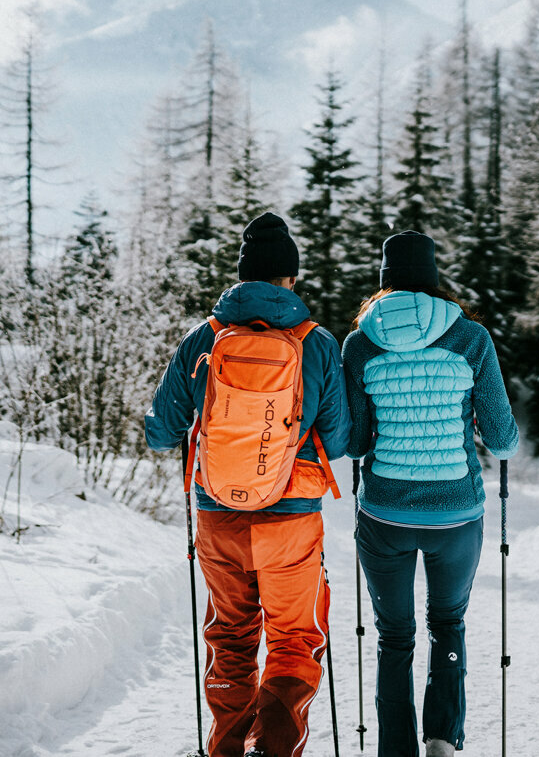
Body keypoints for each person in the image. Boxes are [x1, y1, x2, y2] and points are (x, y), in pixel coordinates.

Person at [145, 212, 351, 757]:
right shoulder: (317, 342)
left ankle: (226, 749)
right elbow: (340, 439)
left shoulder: (204, 338)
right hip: (292, 516)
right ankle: (274, 748)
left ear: (241, 276)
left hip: (219, 514)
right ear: (291, 278)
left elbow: (160, 432)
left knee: (231, 637)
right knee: (295, 637)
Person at [342, 230, 519, 757]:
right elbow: (502, 439)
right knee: (447, 621)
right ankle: (442, 736)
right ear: (434, 280)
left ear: (384, 284)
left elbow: (356, 442)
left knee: (394, 636)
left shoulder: (360, 344)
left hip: (385, 514)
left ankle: (396, 749)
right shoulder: (471, 338)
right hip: (456, 514)